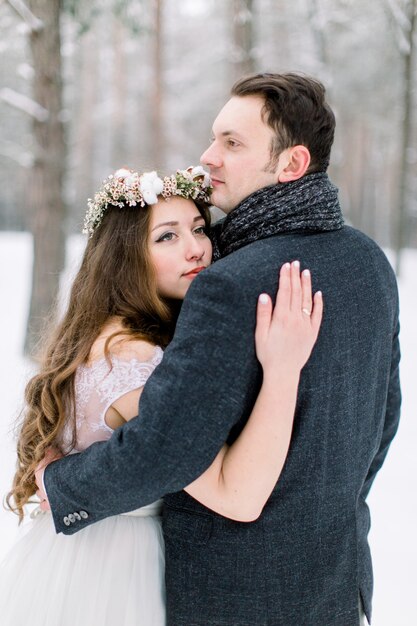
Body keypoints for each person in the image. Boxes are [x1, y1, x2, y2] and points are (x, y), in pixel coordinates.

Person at [37, 73, 400, 626]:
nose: (209, 157)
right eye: (214, 138)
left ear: (291, 164)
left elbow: (164, 448)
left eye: (232, 143)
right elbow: (381, 423)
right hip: (337, 588)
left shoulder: (232, 283)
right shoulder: (369, 262)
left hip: (236, 596)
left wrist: (61, 483)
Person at [1, 165, 322, 625]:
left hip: (82, 555)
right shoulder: (133, 359)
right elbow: (238, 495)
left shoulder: (112, 335)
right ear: (124, 258)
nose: (196, 248)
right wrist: (283, 368)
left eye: (197, 228)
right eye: (166, 237)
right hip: (114, 575)